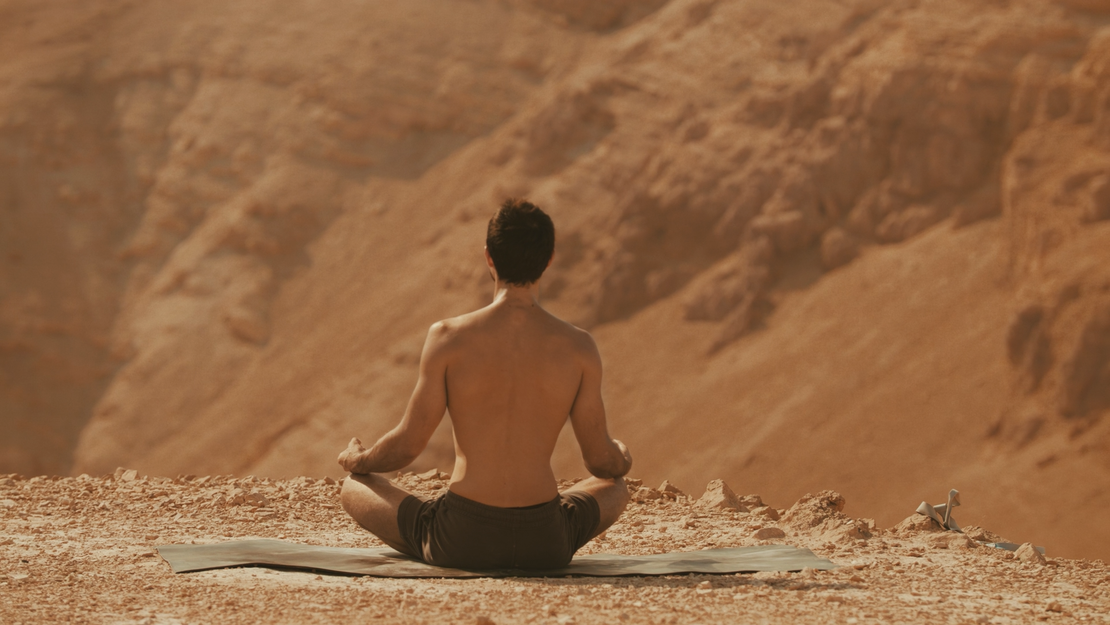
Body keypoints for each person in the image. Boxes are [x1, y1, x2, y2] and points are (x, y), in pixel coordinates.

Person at [337, 198, 632, 570]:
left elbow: (408, 445)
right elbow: (601, 462)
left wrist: (359, 460)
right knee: (615, 488)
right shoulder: (579, 346)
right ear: (549, 259)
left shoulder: (447, 337)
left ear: (489, 257)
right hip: (545, 541)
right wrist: (622, 456)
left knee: (355, 486)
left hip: (460, 538)